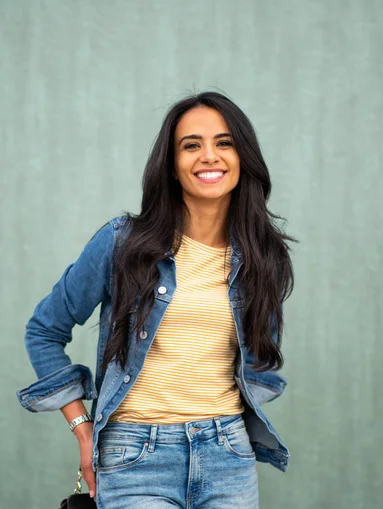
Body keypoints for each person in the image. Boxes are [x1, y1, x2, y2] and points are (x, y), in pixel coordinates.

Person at [16, 91, 296, 508]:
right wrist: (82, 425)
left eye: (224, 143)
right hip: (134, 456)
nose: (209, 156)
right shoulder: (122, 242)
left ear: (243, 158)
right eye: (191, 145)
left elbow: (259, 356)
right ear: (170, 166)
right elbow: (44, 329)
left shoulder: (263, 255)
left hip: (228, 454)